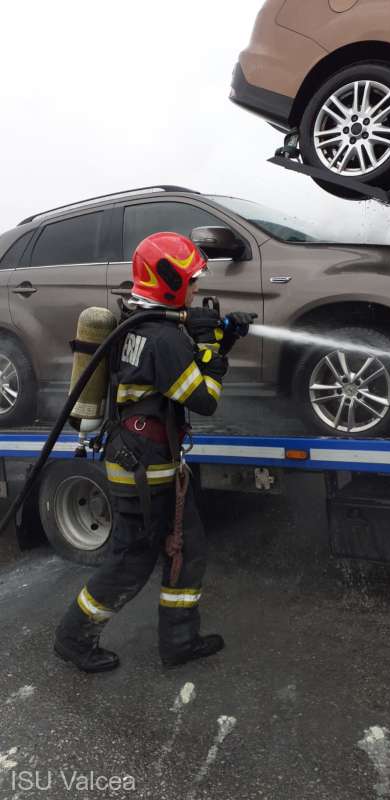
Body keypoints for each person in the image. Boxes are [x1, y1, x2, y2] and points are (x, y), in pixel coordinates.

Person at [54, 231, 255, 673]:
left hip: (145, 457)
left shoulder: (143, 325)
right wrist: (213, 353)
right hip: (144, 467)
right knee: (131, 561)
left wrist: (222, 339)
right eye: (192, 281)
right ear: (170, 282)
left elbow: (174, 377)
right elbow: (203, 399)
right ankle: (73, 638)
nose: (198, 289)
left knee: (187, 549)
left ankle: (179, 641)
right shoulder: (163, 339)